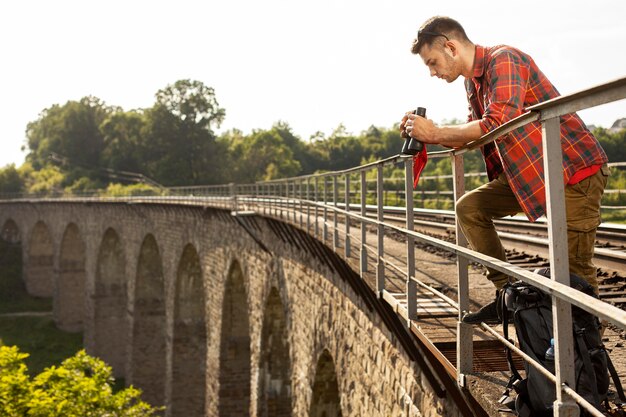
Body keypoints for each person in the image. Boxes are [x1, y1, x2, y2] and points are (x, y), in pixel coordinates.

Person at [400, 16, 610, 324]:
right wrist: (423, 134)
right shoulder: (473, 83)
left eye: (432, 62)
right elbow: (478, 135)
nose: (432, 73)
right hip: (530, 176)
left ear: (451, 47)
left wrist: (436, 133)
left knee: (575, 275)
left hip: (574, 173)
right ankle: (506, 296)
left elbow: (495, 123)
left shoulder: (505, 59)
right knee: (470, 208)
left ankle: (590, 360)